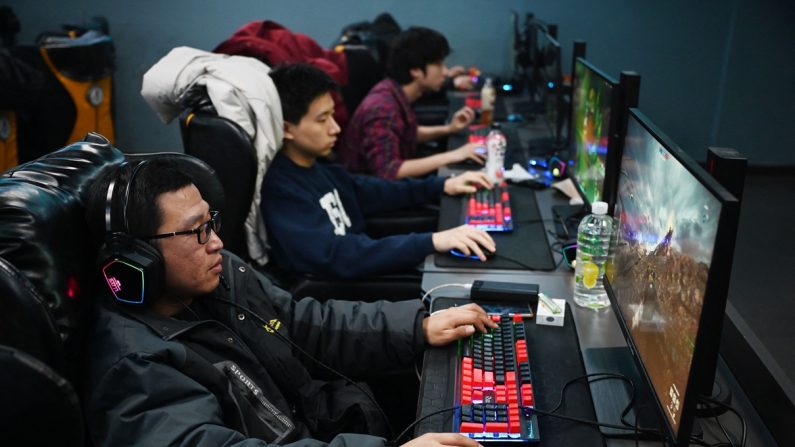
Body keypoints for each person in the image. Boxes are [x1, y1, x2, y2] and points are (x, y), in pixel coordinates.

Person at [82, 158, 499, 447]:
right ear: (137, 259)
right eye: (196, 232)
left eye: (212, 223)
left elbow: (301, 326)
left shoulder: (217, 278)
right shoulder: (135, 368)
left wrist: (417, 325)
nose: (217, 244)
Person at [262, 63, 496, 280]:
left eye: (332, 115)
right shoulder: (282, 191)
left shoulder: (319, 169)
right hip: (347, 298)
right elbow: (337, 257)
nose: (335, 128)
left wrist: (442, 185)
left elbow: (374, 191)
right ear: (286, 129)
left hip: (365, 275)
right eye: (323, 120)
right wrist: (431, 241)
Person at [338, 26, 484, 179]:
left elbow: (407, 132)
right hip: (376, 199)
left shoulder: (393, 91)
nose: (446, 72)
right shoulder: (382, 108)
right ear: (415, 71)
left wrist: (449, 129)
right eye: (439, 64)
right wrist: (454, 155)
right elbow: (389, 170)